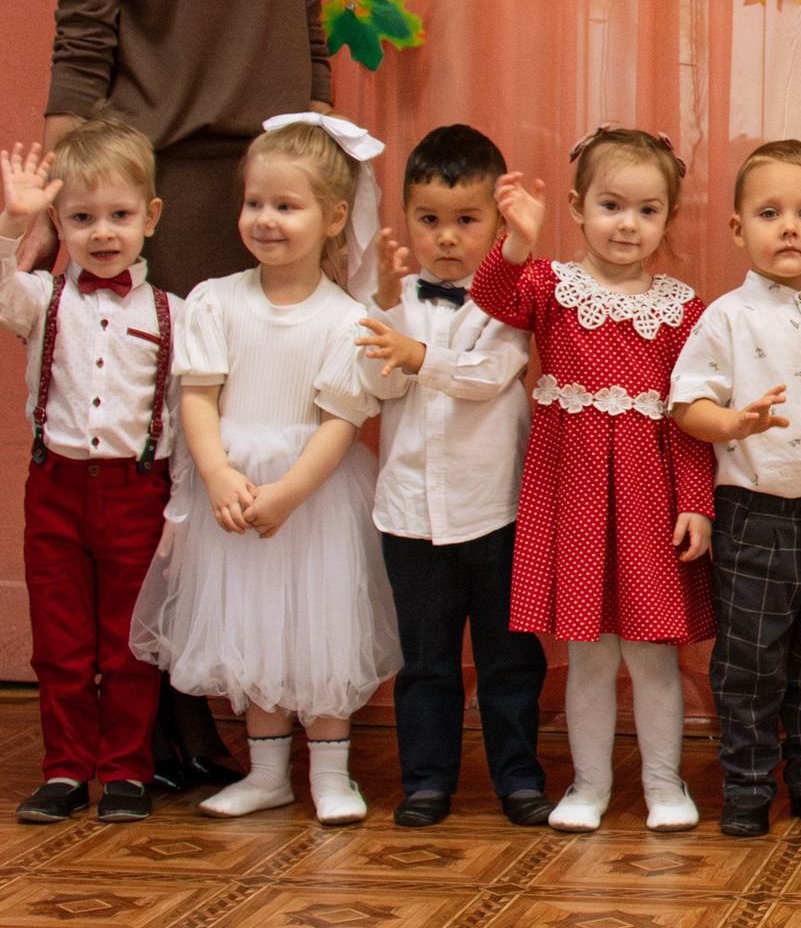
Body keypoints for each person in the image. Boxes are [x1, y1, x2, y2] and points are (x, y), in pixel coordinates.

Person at [38, 0, 333, 794]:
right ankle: (140, 708)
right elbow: (84, 46)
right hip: (151, 198)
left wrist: (319, 196)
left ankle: (213, 699)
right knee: (146, 463)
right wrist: (57, 208)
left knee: (241, 448)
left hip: (263, 204)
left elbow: (309, 43)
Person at [130, 116, 401, 824]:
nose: (266, 219)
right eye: (256, 202)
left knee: (320, 633)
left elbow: (342, 420)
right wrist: (217, 472)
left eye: (287, 205)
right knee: (253, 630)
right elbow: (198, 395)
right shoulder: (217, 300)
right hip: (236, 492)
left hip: (309, 499)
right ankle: (268, 771)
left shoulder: (348, 319)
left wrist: (287, 493)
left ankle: (333, 773)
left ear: (333, 216)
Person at [473, 128, 715, 835]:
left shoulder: (681, 309)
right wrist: (516, 238)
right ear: (578, 207)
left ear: (668, 217)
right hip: (572, 498)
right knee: (587, 655)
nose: (627, 224)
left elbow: (690, 415)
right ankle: (588, 784)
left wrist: (697, 503)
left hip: (648, 502)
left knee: (651, 654)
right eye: (611, 205)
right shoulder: (551, 286)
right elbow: (493, 295)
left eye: (647, 210)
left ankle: (665, 783)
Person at [671, 141, 801, 839]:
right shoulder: (725, 317)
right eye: (769, 212)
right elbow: (685, 403)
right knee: (751, 658)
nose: (788, 226)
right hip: (754, 515)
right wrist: (733, 420)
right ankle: (748, 785)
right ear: (737, 229)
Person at [353, 125, 551, 830]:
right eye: (429, 219)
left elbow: (489, 375)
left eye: (466, 220)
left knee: (508, 660)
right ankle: (428, 779)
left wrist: (415, 355)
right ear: (405, 217)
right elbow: (368, 391)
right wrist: (380, 310)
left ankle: (519, 777)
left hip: (497, 508)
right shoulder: (391, 298)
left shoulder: (515, 295)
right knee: (426, 662)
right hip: (410, 511)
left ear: (498, 221)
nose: (446, 237)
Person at [0, 123, 186, 824]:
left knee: (130, 642)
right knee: (61, 640)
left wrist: (184, 507)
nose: (102, 233)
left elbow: (182, 416)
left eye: (119, 215)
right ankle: (65, 768)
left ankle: (127, 769)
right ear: (60, 223)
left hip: (139, 491)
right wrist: (14, 219)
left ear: (151, 216)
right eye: (81, 218)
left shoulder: (175, 313)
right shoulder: (41, 301)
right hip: (56, 489)